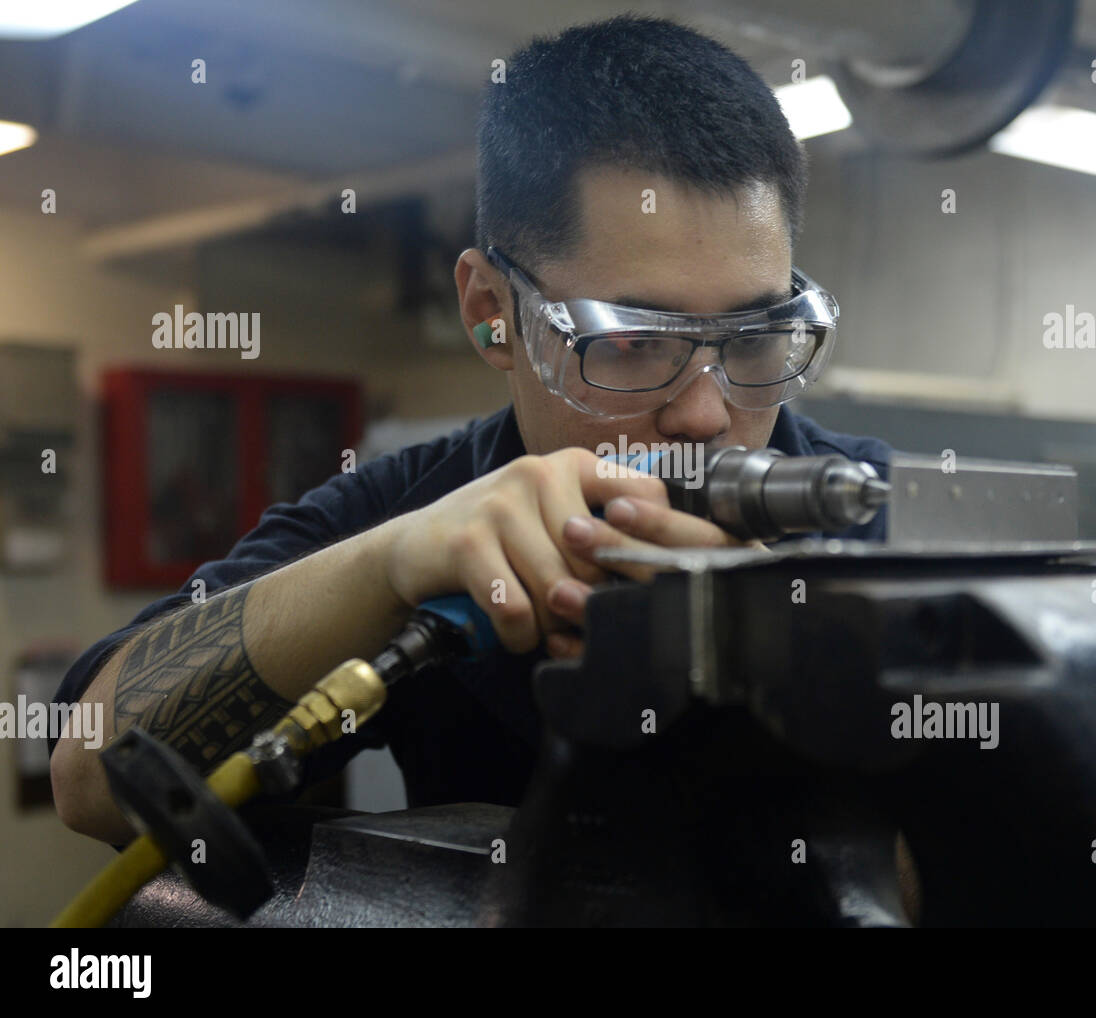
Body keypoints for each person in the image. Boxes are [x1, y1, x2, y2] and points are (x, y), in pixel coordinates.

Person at [50, 15, 894, 883]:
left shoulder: (884, 520)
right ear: (491, 310)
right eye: (633, 342)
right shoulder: (415, 512)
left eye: (756, 337)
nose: (707, 417)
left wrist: (786, 695)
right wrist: (389, 571)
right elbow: (90, 779)